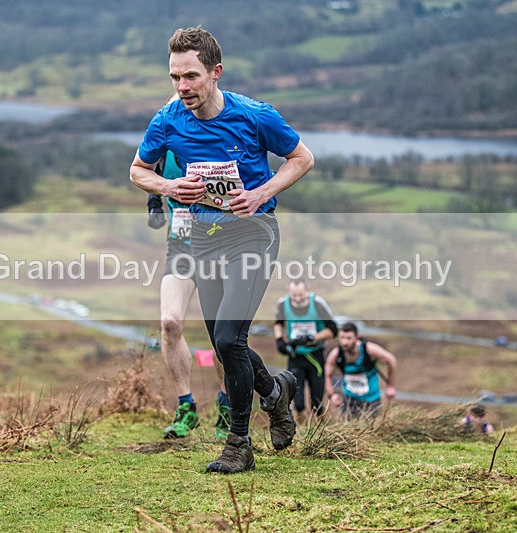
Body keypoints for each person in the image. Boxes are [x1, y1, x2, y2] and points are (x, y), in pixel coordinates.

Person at [130, 26, 314, 473]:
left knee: (231, 338)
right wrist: (170, 185)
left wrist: (260, 192)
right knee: (224, 342)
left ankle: (239, 444)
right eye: (174, 77)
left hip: (254, 233)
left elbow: (302, 158)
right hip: (202, 237)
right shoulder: (168, 119)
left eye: (190, 76)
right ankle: (276, 392)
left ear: (215, 73)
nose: (181, 87)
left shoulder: (254, 115)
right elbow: (138, 170)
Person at [146, 144, 231, 441]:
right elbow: (148, 173)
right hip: (181, 250)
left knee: (223, 335)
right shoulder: (164, 144)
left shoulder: (214, 139)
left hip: (218, 250)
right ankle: (186, 407)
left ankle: (226, 406)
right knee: (169, 322)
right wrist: (154, 205)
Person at [274, 279, 337, 420]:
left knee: (317, 400)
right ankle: (300, 430)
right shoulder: (283, 304)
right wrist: (280, 340)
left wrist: (312, 338)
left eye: (300, 295)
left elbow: (333, 330)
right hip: (296, 355)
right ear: (288, 290)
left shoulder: (318, 303)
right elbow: (278, 323)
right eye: (294, 295)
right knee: (298, 401)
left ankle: (320, 428)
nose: (297, 298)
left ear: (307, 290)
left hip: (315, 355)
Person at [324, 322, 396, 418]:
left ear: (356, 337)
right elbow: (327, 375)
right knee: (347, 429)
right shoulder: (336, 354)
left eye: (349, 338)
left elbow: (391, 360)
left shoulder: (369, 350)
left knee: (372, 429)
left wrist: (390, 386)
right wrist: (332, 395)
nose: (345, 342)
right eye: (342, 338)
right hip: (349, 400)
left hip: (371, 399)